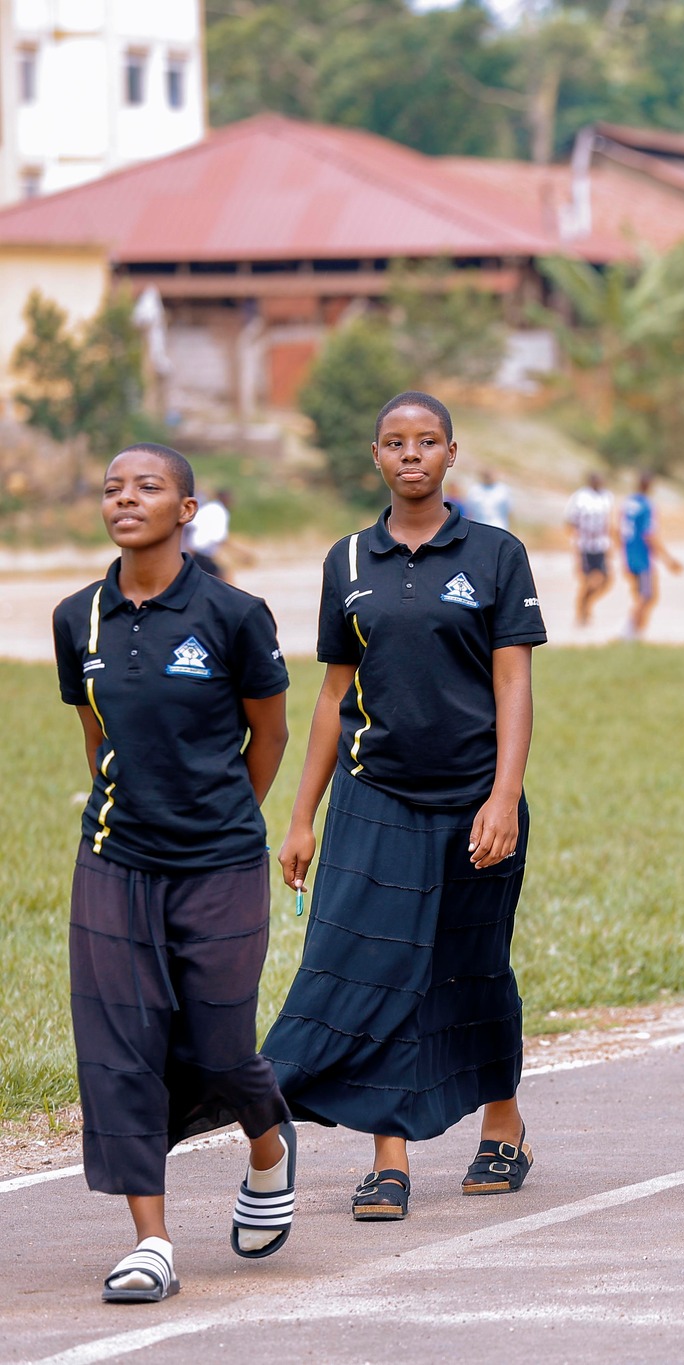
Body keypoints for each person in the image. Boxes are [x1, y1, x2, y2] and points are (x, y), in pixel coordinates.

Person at [263, 391, 547, 1222]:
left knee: (470, 963)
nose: (411, 454)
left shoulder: (497, 554)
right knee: (375, 967)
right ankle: (388, 1155)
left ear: (452, 454)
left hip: (474, 800)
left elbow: (514, 683)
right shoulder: (347, 561)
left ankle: (505, 1124)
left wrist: (502, 797)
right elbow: (331, 696)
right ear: (376, 455)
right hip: (374, 796)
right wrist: (303, 814)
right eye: (395, 441)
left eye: (427, 441)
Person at [52, 442, 296, 1302]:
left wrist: (228, 816)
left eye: (148, 487)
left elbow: (269, 734)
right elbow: (97, 735)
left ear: (186, 510)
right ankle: (150, 1241)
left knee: (222, 1042)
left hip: (222, 859)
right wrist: (138, 815)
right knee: (121, 1046)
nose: (126, 499)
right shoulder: (75, 617)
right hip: (116, 859)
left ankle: (269, 1143)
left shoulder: (234, 613)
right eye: (113, 487)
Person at [620, 472, 684, 641]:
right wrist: (669, 560)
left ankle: (638, 632)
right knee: (648, 595)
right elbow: (650, 535)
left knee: (639, 595)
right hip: (642, 558)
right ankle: (630, 632)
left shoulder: (628, 503)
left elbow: (618, 530)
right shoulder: (647, 506)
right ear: (650, 486)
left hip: (629, 554)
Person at [566, 473, 614, 627]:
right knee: (589, 580)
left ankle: (586, 604)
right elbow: (571, 523)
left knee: (606, 580)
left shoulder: (606, 497)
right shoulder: (579, 498)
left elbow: (609, 521)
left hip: (601, 544)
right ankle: (582, 610)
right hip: (585, 545)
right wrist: (575, 546)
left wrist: (612, 544)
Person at [186, 489, 232, 581]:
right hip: (203, 553)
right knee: (223, 579)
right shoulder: (221, 511)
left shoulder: (209, 507)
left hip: (194, 551)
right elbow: (220, 538)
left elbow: (191, 524)